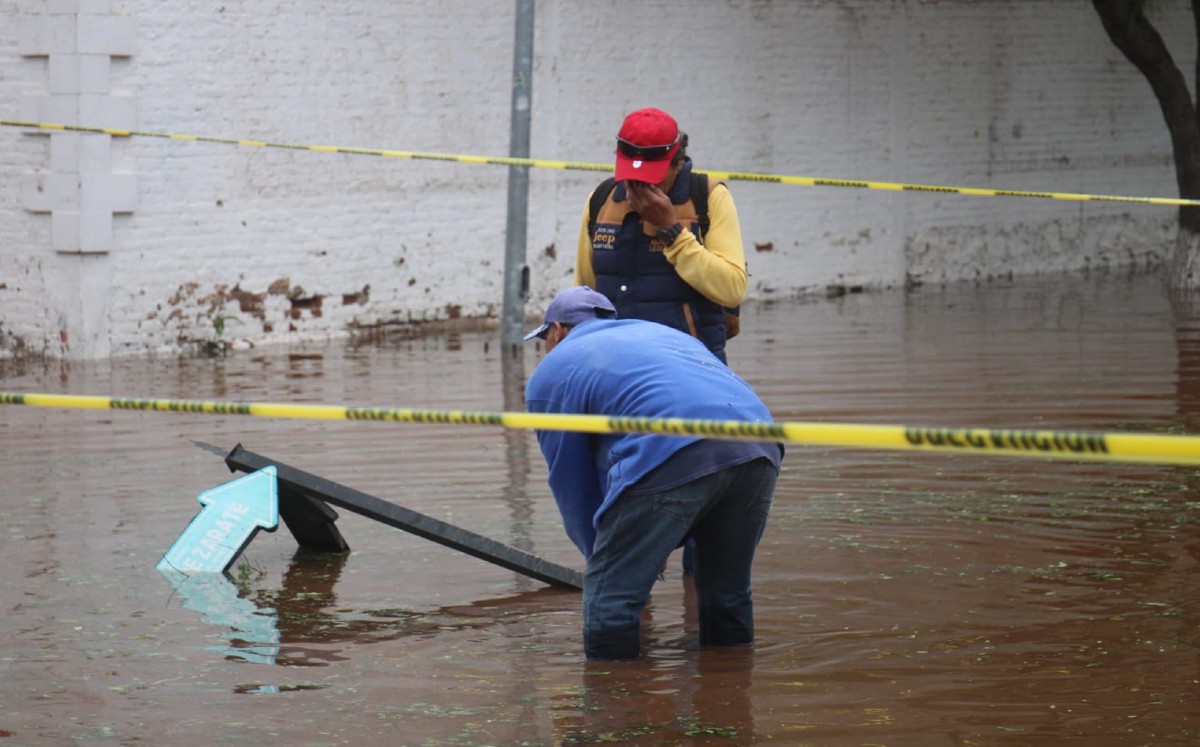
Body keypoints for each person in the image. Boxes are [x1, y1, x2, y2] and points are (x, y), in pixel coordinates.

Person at [524, 286, 783, 660]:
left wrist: (606, 554)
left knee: (610, 594)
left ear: (559, 330)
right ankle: (730, 696)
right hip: (758, 445)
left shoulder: (553, 371)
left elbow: (571, 484)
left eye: (544, 338)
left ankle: (616, 707)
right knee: (726, 594)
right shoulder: (661, 334)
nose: (546, 348)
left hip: (672, 448)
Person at [575, 107, 748, 364]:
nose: (640, 185)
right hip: (614, 364)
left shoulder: (709, 197)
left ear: (677, 164)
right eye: (631, 175)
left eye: (651, 177)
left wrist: (671, 231)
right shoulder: (601, 200)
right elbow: (583, 293)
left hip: (690, 365)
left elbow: (732, 289)